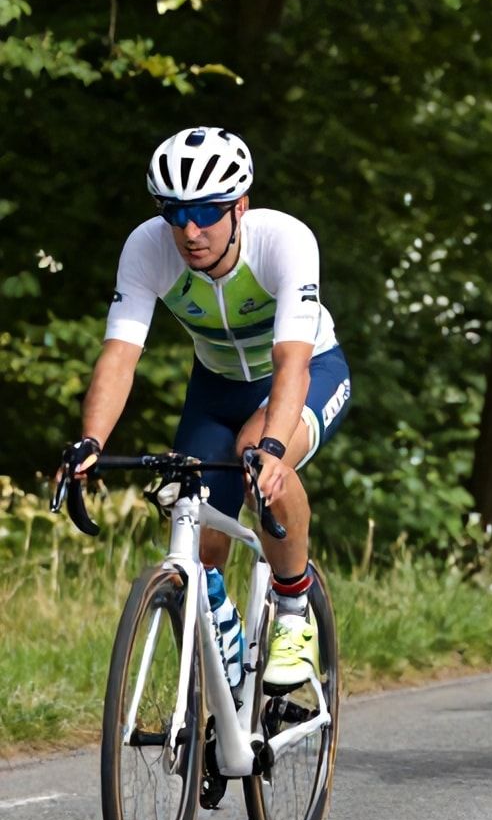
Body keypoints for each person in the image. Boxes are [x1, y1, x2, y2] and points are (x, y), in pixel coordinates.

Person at [63, 127, 351, 688]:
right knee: (196, 529)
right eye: (175, 212)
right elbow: (120, 356)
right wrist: (91, 441)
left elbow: (291, 362)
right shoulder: (147, 248)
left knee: (257, 457)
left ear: (239, 206)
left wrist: (271, 448)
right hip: (216, 389)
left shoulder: (285, 241)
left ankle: (293, 614)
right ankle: (219, 672)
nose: (190, 230)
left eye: (206, 211)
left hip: (307, 372)